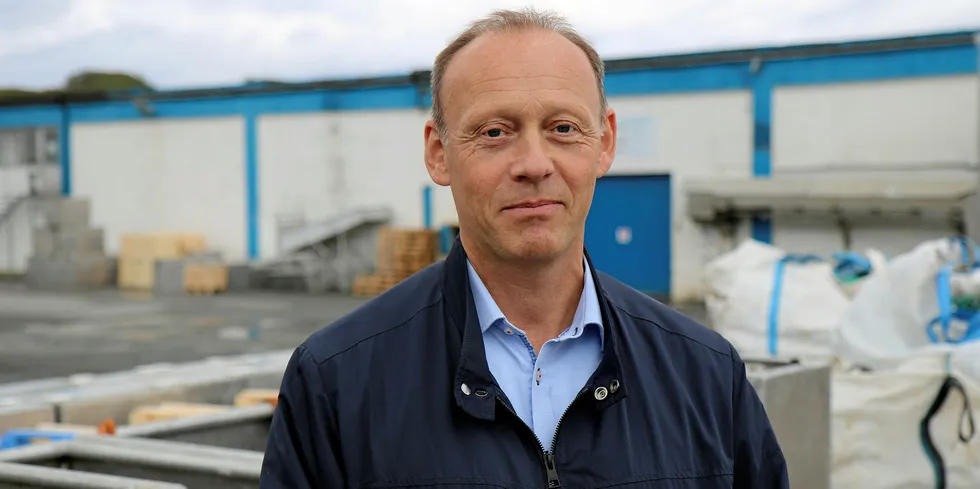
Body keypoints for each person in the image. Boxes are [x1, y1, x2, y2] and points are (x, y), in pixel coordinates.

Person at [260, 8, 789, 489]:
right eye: (494, 132)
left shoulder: (708, 375)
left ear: (604, 143)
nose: (534, 163)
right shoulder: (336, 382)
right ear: (439, 154)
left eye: (563, 128)